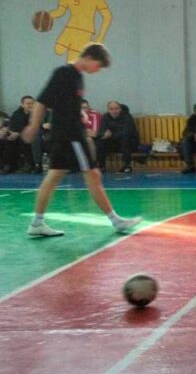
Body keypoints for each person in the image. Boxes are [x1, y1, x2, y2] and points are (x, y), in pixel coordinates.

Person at [21, 43, 140, 237]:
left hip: (67, 133)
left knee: (54, 176)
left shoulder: (77, 77)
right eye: (98, 66)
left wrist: (81, 114)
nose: (98, 70)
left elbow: (65, 104)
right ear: (90, 58)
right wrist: (34, 125)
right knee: (93, 174)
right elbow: (42, 101)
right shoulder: (64, 73)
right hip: (70, 135)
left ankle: (36, 223)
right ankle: (116, 221)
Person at [46, 0, 113, 63]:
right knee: (58, 50)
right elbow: (61, 11)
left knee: (72, 61)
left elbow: (107, 16)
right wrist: (48, 16)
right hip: (71, 26)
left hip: (85, 30)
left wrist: (100, 37)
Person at [96, 100, 139, 174]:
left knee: (125, 139)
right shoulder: (105, 117)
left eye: (117, 108)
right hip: (114, 143)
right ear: (108, 110)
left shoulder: (127, 116)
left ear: (120, 109)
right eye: (111, 109)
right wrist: (104, 134)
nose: (114, 111)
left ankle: (127, 166)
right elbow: (101, 131)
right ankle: (101, 166)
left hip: (129, 143)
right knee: (101, 141)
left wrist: (111, 134)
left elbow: (127, 132)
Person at [2, 96, 40, 173]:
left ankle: (29, 164)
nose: (30, 105)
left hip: (34, 135)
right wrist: (10, 133)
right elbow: (13, 126)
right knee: (7, 140)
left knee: (22, 139)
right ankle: (9, 165)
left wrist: (18, 133)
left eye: (32, 103)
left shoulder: (38, 113)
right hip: (17, 135)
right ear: (22, 105)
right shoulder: (17, 114)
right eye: (28, 103)